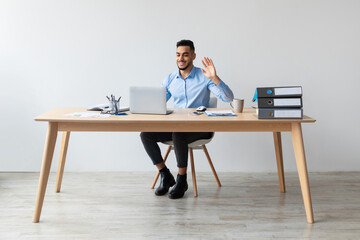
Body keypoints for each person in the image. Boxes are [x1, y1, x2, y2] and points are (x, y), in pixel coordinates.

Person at [140, 40, 234, 199]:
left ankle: (181, 180)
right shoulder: (170, 79)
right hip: (176, 127)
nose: (181, 58)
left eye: (185, 54)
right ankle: (165, 174)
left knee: (179, 133)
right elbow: (159, 102)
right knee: (146, 135)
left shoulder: (204, 77)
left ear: (193, 56)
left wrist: (215, 77)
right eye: (178, 55)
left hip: (200, 129)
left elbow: (228, 97)